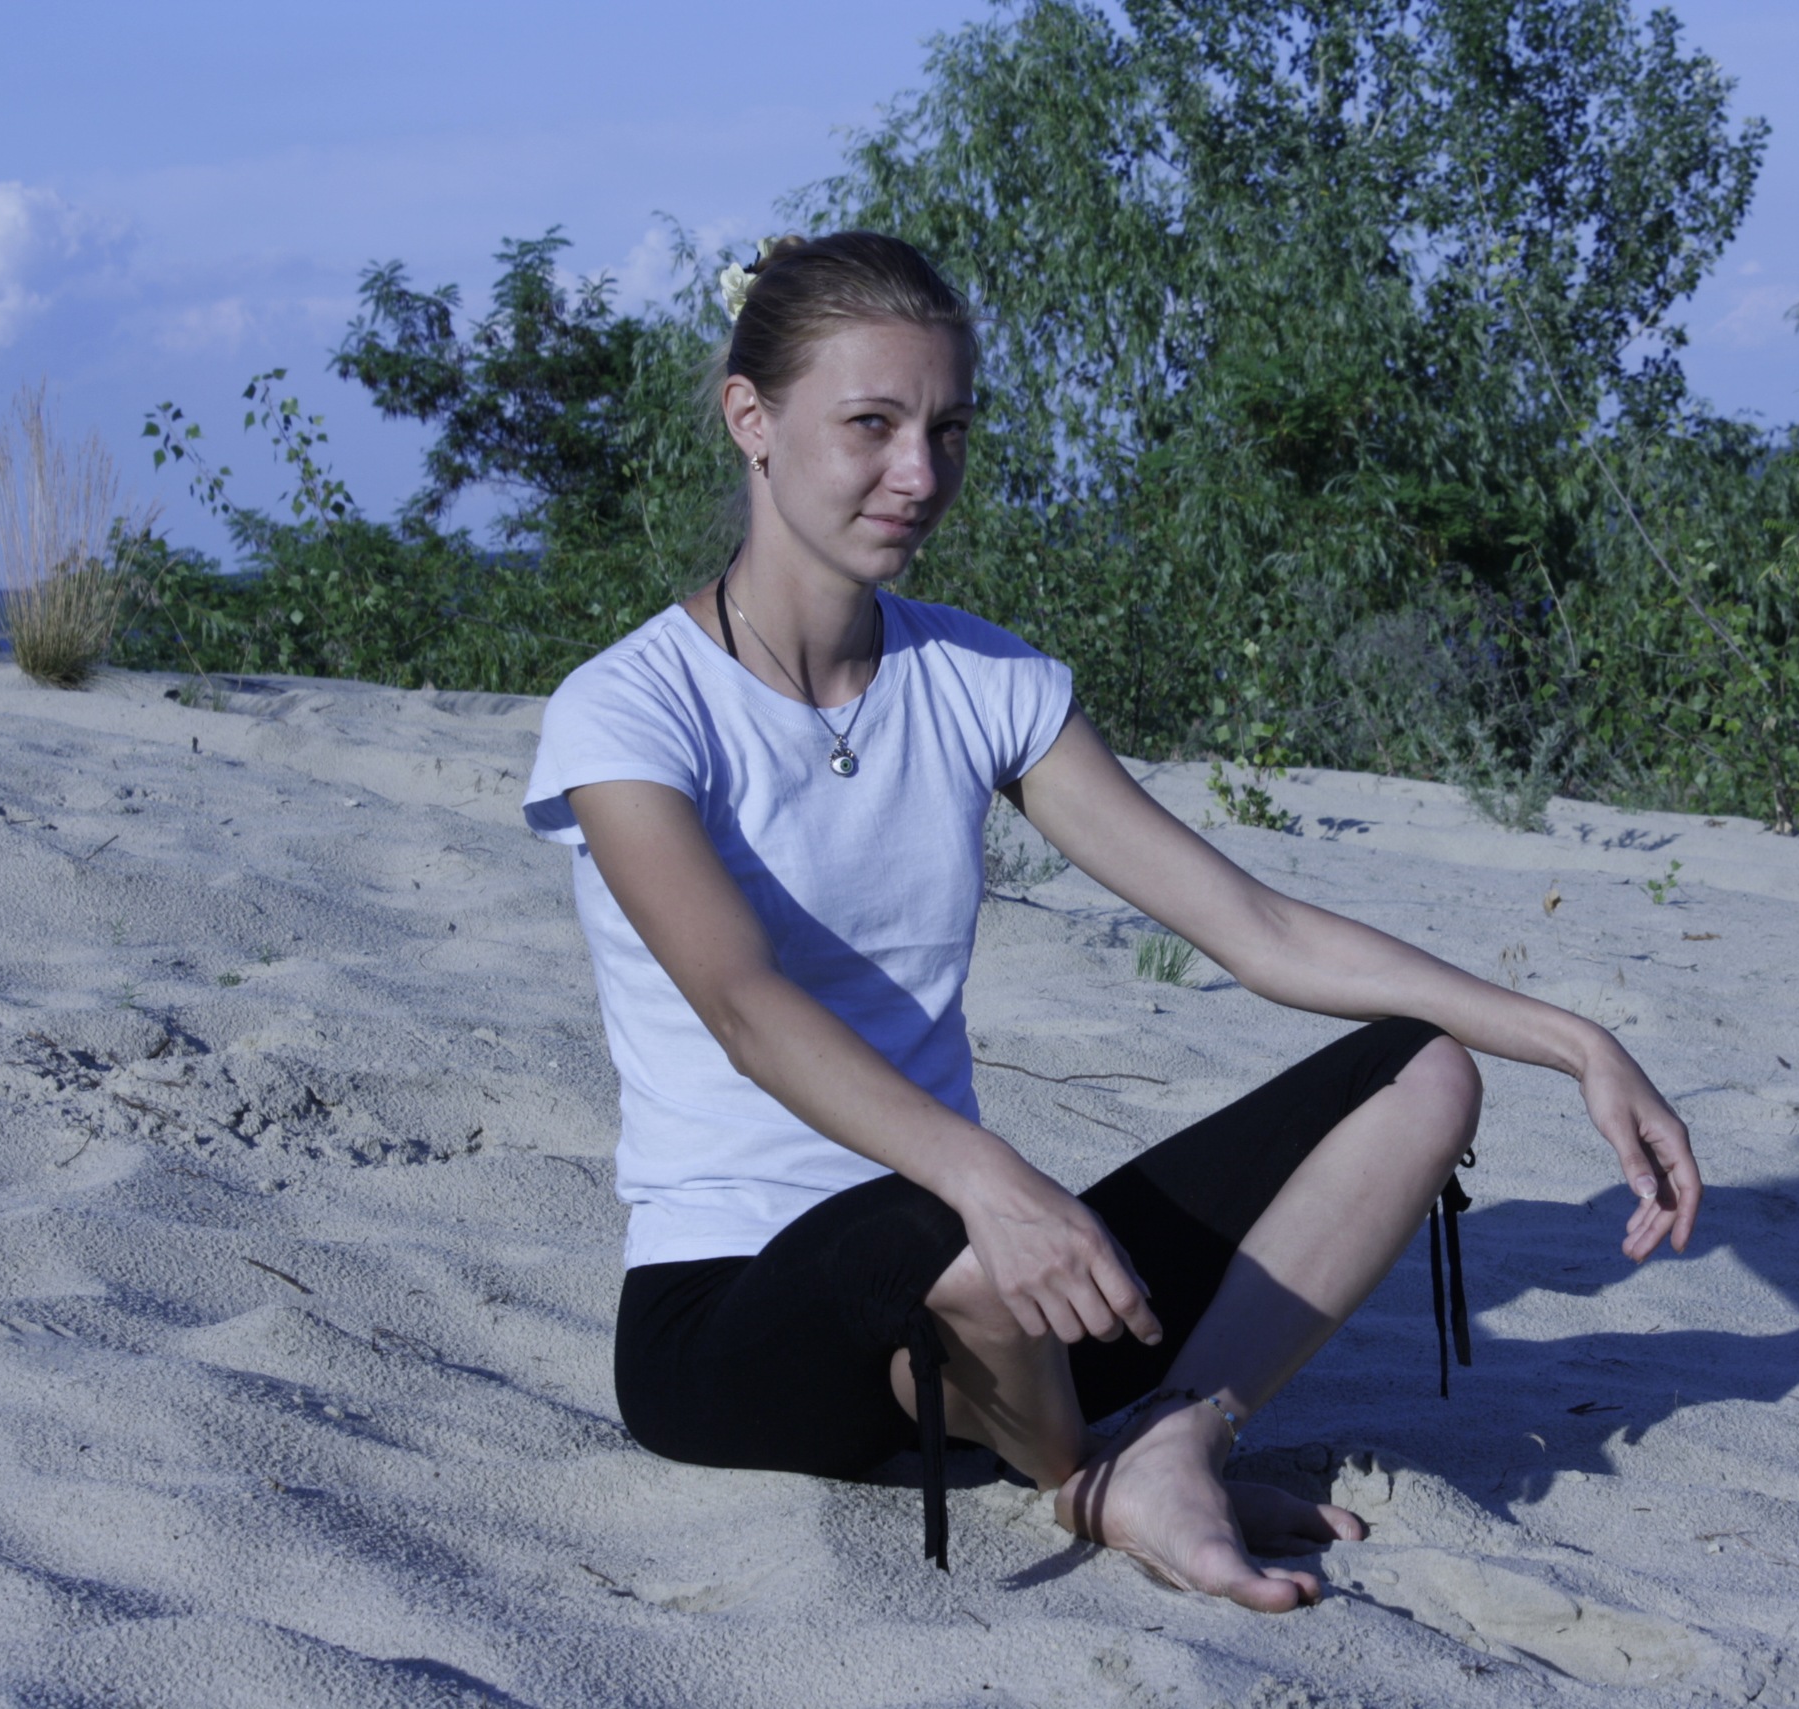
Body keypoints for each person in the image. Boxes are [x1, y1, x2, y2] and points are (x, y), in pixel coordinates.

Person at [521, 231, 1702, 1614]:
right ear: (752, 419)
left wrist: (1572, 1041)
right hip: (740, 1316)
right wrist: (987, 1174)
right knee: (941, 1236)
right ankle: (1089, 1471)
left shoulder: (982, 680)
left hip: (992, 1276)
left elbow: (1256, 927)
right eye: (872, 425)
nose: (920, 474)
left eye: (949, 430)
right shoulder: (631, 708)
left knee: (1421, 1069)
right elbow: (744, 1006)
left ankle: (1180, 1435)